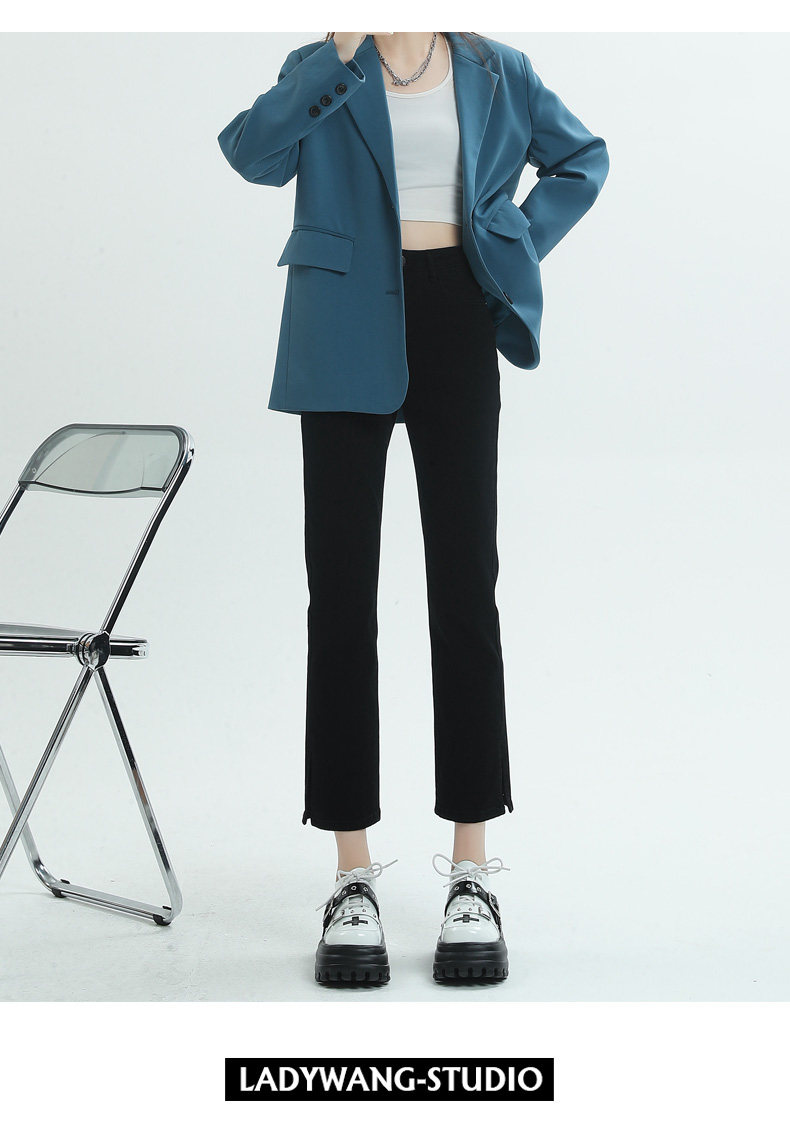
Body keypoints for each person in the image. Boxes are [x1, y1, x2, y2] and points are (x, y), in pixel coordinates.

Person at [217, 31, 609, 988]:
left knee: (465, 594)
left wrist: (509, 236)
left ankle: (471, 871)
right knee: (341, 602)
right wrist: (337, 56)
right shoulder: (323, 62)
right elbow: (252, 155)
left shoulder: (496, 66)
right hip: (341, 322)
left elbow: (582, 159)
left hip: (457, 315)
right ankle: (351, 877)